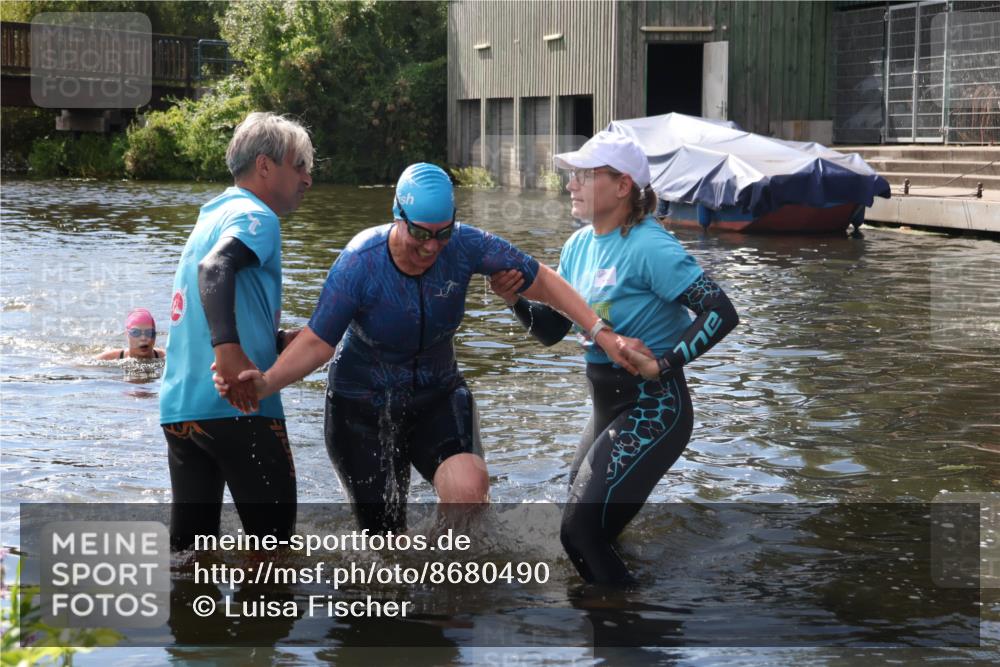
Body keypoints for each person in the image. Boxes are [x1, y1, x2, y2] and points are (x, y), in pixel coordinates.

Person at [216, 162, 641, 533]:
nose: (431, 247)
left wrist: (602, 334)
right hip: (360, 409)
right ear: (397, 216)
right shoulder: (360, 262)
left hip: (437, 397)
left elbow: (542, 279)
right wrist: (265, 384)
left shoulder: (466, 246)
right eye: (419, 233)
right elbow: (316, 342)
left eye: (442, 234)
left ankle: (441, 570)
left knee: (468, 492)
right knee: (384, 544)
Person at [489, 131, 739, 586]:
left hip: (654, 408)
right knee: (589, 528)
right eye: (573, 175)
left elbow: (721, 311)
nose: (571, 184)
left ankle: (625, 616)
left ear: (623, 186)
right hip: (607, 408)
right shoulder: (578, 246)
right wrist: (514, 301)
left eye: (585, 175)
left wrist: (662, 365)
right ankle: (621, 605)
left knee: (578, 534)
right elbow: (554, 330)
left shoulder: (650, 247)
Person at [159, 112, 312, 551]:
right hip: (240, 405)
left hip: (182, 408)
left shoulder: (213, 214)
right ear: (265, 166)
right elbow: (216, 269)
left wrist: (273, 340)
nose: (307, 179)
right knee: (274, 553)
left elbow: (208, 297)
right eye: (299, 166)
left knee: (190, 556)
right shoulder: (257, 216)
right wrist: (228, 350)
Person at [95, 308, 166, 360]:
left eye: (149, 333)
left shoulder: (166, 357)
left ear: (155, 335)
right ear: (127, 334)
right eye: (136, 332)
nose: (143, 338)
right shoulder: (108, 358)